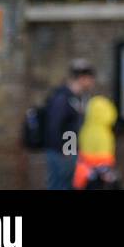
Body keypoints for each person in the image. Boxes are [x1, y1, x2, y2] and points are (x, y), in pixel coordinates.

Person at [43, 59, 95, 190]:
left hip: (68, 150)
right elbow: (55, 125)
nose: (91, 83)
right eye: (89, 78)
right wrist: (66, 150)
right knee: (60, 185)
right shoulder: (63, 97)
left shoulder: (75, 98)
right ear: (82, 78)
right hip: (61, 152)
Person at [73, 94, 118, 190]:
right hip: (102, 171)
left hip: (86, 172)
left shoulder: (85, 128)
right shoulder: (104, 132)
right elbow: (105, 155)